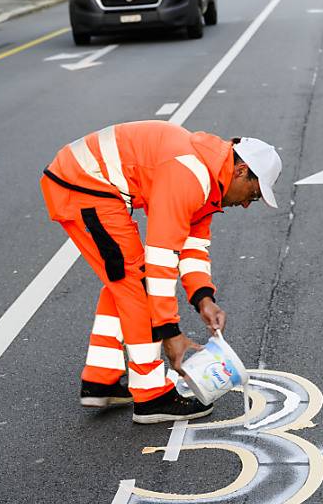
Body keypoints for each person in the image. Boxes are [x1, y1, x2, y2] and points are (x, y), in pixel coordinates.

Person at [40, 121, 282, 424]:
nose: (247, 203)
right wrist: (171, 333)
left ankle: (101, 379)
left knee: (125, 283)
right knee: (138, 286)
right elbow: (161, 259)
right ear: (241, 170)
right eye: (254, 193)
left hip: (89, 183)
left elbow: (192, 249)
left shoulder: (210, 182)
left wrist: (204, 298)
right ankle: (151, 396)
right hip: (81, 184)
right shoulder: (190, 174)